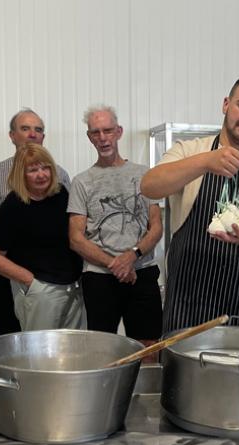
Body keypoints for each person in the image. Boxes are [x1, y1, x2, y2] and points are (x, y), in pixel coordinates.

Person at [141, 75, 239, 333]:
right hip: (189, 304)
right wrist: (205, 162)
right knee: (187, 374)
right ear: (226, 104)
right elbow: (149, 186)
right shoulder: (190, 151)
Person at [68, 105, 163, 345]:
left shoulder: (145, 175)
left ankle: (147, 384)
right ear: (89, 137)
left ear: (119, 132)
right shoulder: (81, 182)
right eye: (96, 132)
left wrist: (132, 256)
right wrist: (115, 264)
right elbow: (76, 238)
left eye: (108, 131)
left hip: (142, 272)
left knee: (148, 348)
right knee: (102, 350)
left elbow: (156, 227)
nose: (103, 138)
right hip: (100, 278)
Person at [0, 109, 71, 337]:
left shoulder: (60, 175)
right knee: (8, 336)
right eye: (25, 128)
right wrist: (1, 262)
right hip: (9, 273)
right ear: (12, 135)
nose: (32, 134)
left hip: (51, 280)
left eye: (38, 129)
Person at [0, 143, 84, 330]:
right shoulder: (13, 206)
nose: (41, 174)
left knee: (69, 353)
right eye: (33, 170)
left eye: (45, 167)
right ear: (21, 175)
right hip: (41, 291)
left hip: (72, 288)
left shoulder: (61, 194)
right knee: (41, 354)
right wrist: (30, 281)